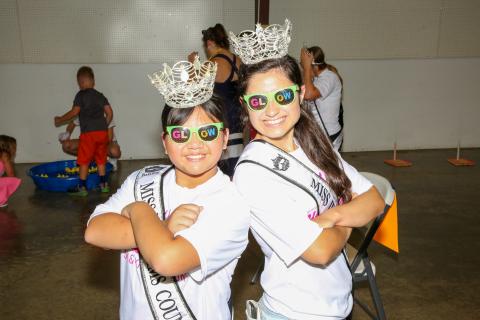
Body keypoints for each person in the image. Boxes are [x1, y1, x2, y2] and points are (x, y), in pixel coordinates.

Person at [230, 20, 385, 319]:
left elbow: (375, 201)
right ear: (245, 105)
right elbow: (320, 250)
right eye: (259, 101)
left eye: (283, 96)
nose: (271, 110)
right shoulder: (252, 173)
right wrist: (349, 208)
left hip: (339, 303)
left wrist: (334, 215)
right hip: (295, 311)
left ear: (300, 95)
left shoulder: (313, 143)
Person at [84, 57, 250, 320]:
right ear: (164, 141)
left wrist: (139, 210)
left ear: (225, 137)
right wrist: (163, 227)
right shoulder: (142, 179)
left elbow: (166, 259)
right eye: (180, 134)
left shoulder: (230, 203)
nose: (194, 144)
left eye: (207, 132)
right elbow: (95, 231)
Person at [188, 23, 244, 176]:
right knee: (236, 160)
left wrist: (193, 66)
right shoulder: (238, 60)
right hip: (238, 117)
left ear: (210, 43)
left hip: (221, 117)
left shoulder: (213, 63)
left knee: (221, 165)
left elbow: (194, 90)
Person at [54, 66, 113, 196]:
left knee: (84, 161)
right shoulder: (100, 95)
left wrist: (60, 119)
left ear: (80, 82)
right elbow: (109, 112)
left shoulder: (81, 95)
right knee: (101, 159)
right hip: (102, 134)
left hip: (89, 134)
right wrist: (104, 125)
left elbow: (74, 112)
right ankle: (104, 185)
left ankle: (81, 187)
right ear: (93, 81)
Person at [301, 46, 344, 151]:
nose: (302, 68)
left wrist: (307, 67)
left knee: (327, 167)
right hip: (319, 134)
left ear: (313, 65)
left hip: (329, 134)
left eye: (303, 65)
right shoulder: (316, 79)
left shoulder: (329, 78)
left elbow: (308, 95)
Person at [0, 135, 21, 207]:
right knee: (11, 181)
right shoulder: (5, 156)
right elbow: (11, 174)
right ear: (7, 148)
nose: (15, 150)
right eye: (14, 147)